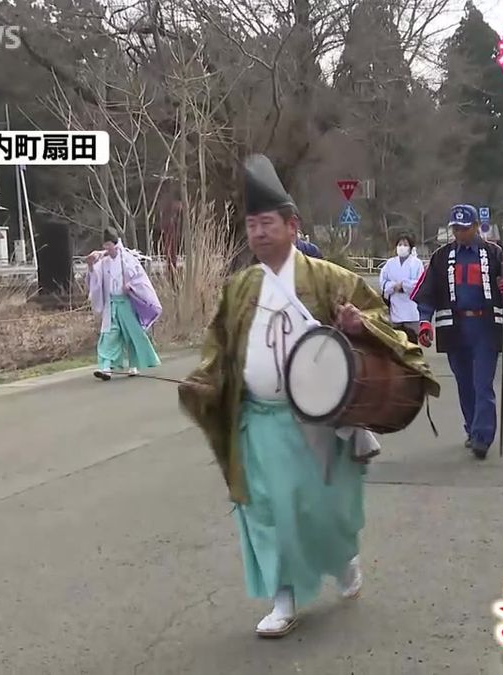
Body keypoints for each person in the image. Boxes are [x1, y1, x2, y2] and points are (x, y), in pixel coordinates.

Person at [176, 154, 439, 638]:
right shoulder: (239, 288)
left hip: (315, 423)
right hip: (258, 421)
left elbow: (379, 318)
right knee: (265, 509)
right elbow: (220, 349)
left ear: (292, 225)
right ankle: (282, 598)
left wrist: (360, 326)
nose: (258, 233)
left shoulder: (326, 278)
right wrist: (205, 381)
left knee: (320, 511)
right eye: (251, 225)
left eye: (267, 223)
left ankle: (341, 558)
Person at [412, 204, 503, 459]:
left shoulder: (495, 254)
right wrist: (425, 322)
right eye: (456, 229)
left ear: (475, 227)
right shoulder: (441, 257)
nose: (459, 233)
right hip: (453, 327)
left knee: (482, 383)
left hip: (485, 325)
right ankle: (472, 428)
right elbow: (426, 293)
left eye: (464, 228)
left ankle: (483, 436)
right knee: (464, 383)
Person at [85, 228, 163, 381]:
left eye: (110, 245)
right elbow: (96, 279)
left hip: (126, 303)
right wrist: (90, 266)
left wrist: (131, 286)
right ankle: (105, 368)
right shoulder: (103, 262)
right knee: (108, 335)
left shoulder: (127, 259)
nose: (107, 248)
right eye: (105, 245)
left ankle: (134, 364)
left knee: (132, 334)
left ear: (116, 244)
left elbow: (140, 279)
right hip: (112, 304)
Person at [379, 233, 425, 343]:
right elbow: (383, 282)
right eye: (400, 244)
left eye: (405, 244)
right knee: (397, 345)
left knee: (411, 344)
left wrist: (403, 286)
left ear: (410, 247)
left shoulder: (417, 263)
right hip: (395, 310)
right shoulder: (390, 263)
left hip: (411, 310)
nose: (402, 247)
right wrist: (393, 286)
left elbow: (420, 283)